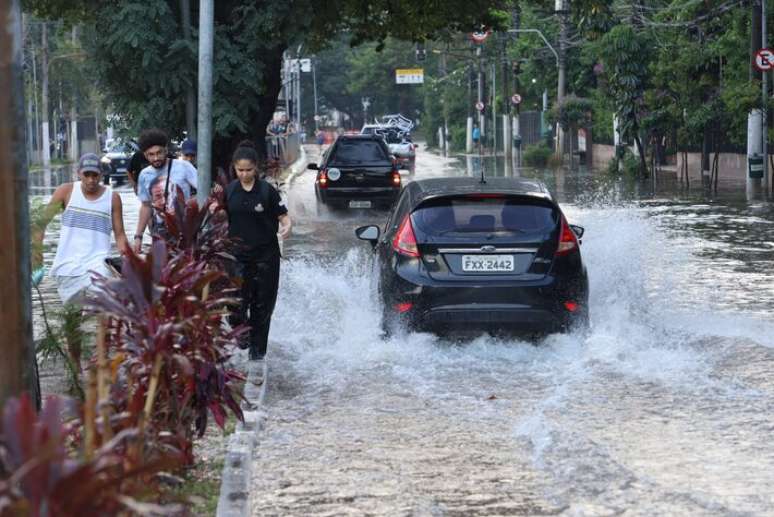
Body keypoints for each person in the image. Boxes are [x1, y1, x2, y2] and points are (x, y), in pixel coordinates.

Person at [32, 153, 129, 374]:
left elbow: (120, 234)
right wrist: (38, 257)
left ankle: (101, 358)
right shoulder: (66, 192)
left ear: (101, 175)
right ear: (79, 174)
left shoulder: (112, 198)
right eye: (87, 175)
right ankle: (75, 366)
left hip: (98, 263)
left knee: (107, 308)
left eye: (95, 175)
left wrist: (128, 260)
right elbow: (40, 225)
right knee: (72, 319)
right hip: (68, 266)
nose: (91, 180)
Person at [221, 141, 291, 361]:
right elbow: (221, 219)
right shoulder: (229, 191)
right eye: (240, 170)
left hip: (266, 257)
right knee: (235, 302)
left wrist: (287, 226)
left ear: (256, 169)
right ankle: (242, 333)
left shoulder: (266, 191)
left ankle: (258, 354)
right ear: (234, 168)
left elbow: (283, 216)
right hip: (237, 257)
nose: (244, 174)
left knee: (262, 306)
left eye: (248, 170)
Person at [133, 128, 198, 253]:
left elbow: (204, 191)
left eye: (159, 152)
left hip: (185, 230)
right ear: (145, 155)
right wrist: (138, 236)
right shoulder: (144, 175)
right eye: (151, 154)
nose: (156, 157)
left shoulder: (184, 167)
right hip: (160, 232)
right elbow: (146, 206)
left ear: (166, 150)